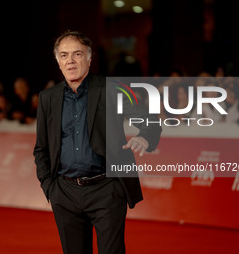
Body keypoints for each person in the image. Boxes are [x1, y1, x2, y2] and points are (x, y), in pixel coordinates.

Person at [33, 31, 162, 254]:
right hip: (64, 194)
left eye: (77, 54)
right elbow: (41, 149)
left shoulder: (115, 88)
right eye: (64, 55)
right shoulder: (48, 98)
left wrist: (144, 137)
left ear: (89, 58)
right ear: (58, 61)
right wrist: (50, 188)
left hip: (107, 190)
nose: (70, 61)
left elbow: (150, 118)